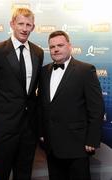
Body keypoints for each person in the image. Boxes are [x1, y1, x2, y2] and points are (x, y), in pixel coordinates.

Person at [0, 7, 44, 180]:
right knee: (1, 173)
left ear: (33, 27)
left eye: (28, 24)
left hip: (29, 128)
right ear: (12, 24)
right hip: (4, 127)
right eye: (20, 23)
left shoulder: (38, 52)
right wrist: (0, 113)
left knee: (24, 173)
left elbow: (33, 91)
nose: (24, 28)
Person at [38, 30, 104, 180]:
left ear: (70, 46)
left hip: (78, 145)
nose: (55, 49)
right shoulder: (43, 72)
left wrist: (92, 139)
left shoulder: (85, 70)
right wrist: (41, 132)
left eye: (60, 45)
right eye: (52, 46)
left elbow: (96, 108)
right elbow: (41, 106)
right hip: (51, 145)